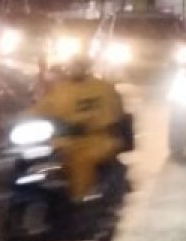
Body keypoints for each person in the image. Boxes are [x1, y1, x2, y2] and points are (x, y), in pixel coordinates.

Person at [30, 54, 126, 203]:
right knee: (37, 157)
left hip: (95, 139)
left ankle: (80, 201)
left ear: (86, 67)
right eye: (72, 66)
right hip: (64, 138)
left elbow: (111, 114)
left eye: (78, 65)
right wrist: (23, 117)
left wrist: (88, 124)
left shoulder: (101, 88)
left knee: (81, 160)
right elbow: (44, 107)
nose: (74, 69)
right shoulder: (62, 88)